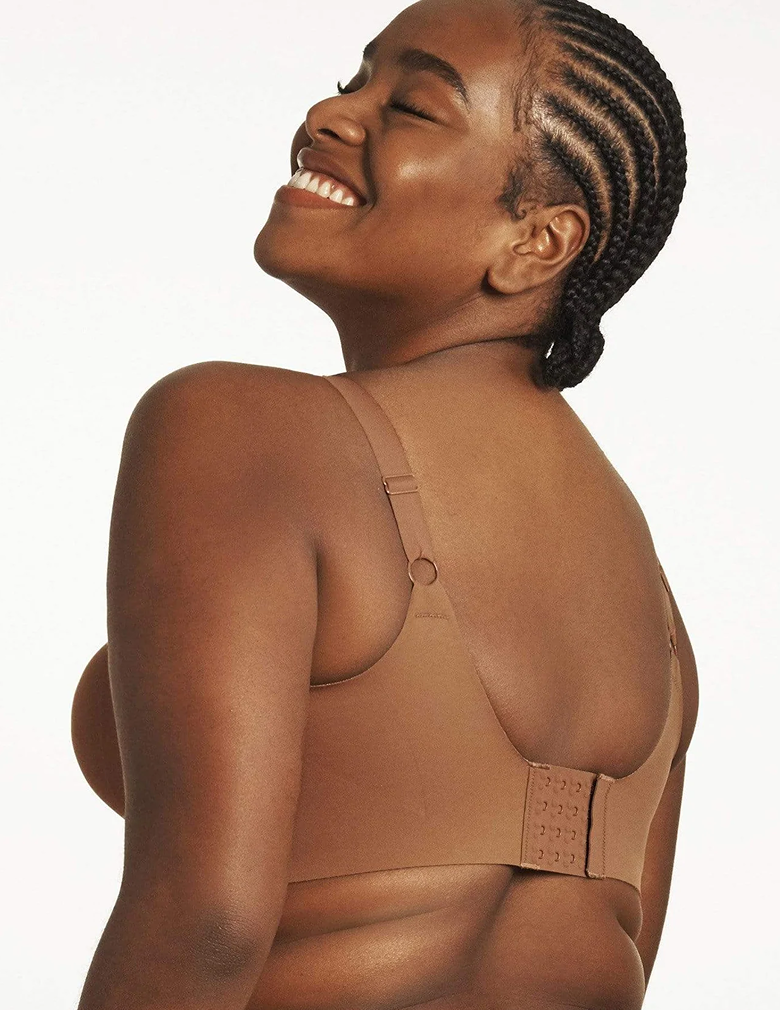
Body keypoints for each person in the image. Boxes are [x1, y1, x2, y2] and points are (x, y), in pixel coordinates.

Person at [71, 1, 699, 1008]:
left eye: (411, 107)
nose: (329, 113)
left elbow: (206, 925)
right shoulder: (655, 619)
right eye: (352, 78)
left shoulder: (240, 430)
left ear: (537, 241)